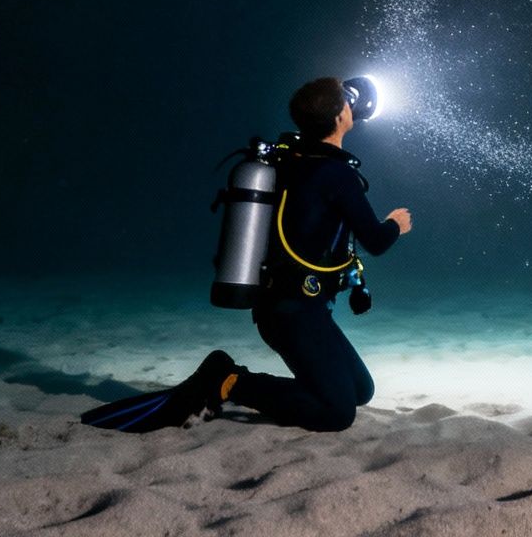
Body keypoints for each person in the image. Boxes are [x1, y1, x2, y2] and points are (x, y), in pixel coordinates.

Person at [80, 77, 412, 433]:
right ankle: (229, 381)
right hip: (293, 314)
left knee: (361, 390)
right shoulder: (336, 174)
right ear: (340, 117)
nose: (351, 104)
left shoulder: (289, 162)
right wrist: (395, 224)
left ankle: (240, 381)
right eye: (346, 101)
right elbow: (376, 241)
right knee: (338, 414)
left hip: (289, 307)